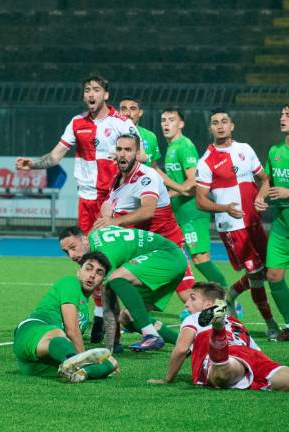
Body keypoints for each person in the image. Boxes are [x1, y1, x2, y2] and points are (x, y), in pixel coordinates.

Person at [16, 75, 146, 342]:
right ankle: (99, 317)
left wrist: (123, 156)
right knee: (91, 261)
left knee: (112, 264)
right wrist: (32, 164)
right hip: (86, 201)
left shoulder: (122, 123)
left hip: (113, 200)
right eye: (87, 89)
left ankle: (120, 328)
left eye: (96, 90)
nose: (91, 94)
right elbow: (54, 156)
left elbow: (143, 156)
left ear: (106, 95)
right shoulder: (76, 123)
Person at [194, 109, 279, 338]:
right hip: (232, 227)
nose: (220, 126)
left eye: (224, 121)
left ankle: (231, 293)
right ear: (210, 128)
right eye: (215, 123)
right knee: (256, 274)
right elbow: (201, 201)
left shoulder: (245, 150)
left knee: (267, 270)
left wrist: (261, 197)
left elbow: (264, 179)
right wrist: (224, 208)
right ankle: (271, 325)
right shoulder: (206, 161)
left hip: (253, 222)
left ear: (232, 126)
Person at [94, 133, 195, 302]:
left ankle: (224, 318)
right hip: (145, 248)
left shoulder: (147, 176)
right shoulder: (117, 180)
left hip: (168, 246)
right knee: (131, 312)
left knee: (189, 296)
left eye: (128, 149)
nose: (123, 154)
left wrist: (114, 220)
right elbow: (107, 211)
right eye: (119, 149)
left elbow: (148, 211)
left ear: (137, 153)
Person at [59, 226, 183, 352]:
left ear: (84, 240)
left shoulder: (104, 254)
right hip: (167, 259)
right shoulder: (94, 241)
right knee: (128, 317)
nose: (71, 255)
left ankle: (150, 334)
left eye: (73, 248)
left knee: (113, 280)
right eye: (66, 251)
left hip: (166, 256)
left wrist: (112, 344)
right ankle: (187, 344)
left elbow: (110, 302)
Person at [149, 282, 289, 391]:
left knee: (222, 375)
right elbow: (257, 353)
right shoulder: (236, 322)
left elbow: (181, 349)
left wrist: (167, 379)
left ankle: (218, 329)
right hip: (250, 354)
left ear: (208, 305)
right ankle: (219, 332)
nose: (186, 303)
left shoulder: (195, 318)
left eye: (192, 299)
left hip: (223, 354)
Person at [14, 252, 118, 383]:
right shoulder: (70, 283)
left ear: (102, 281)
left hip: (37, 364)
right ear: (79, 271)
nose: (92, 275)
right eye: (88, 268)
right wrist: (86, 359)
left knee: (110, 362)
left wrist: (102, 365)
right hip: (31, 331)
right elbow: (72, 330)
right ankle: (76, 362)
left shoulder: (84, 309)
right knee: (57, 334)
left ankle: (80, 373)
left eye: (99, 272)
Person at [159, 107, 228, 292]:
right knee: (174, 257)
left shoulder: (184, 146)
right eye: (163, 120)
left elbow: (194, 181)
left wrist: (168, 195)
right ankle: (189, 301)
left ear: (181, 124)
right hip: (180, 213)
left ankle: (229, 299)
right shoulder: (172, 147)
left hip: (192, 212)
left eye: (171, 120)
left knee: (200, 259)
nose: (166, 123)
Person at [262, 104, 289, 340]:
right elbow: (268, 181)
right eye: (281, 113)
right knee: (274, 276)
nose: (282, 117)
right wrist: (261, 198)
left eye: (288, 115)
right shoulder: (275, 151)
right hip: (281, 223)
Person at [119, 97, 160, 168]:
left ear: (140, 112)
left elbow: (153, 167)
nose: (128, 113)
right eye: (123, 109)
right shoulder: (111, 134)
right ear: (119, 112)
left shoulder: (150, 136)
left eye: (132, 109)